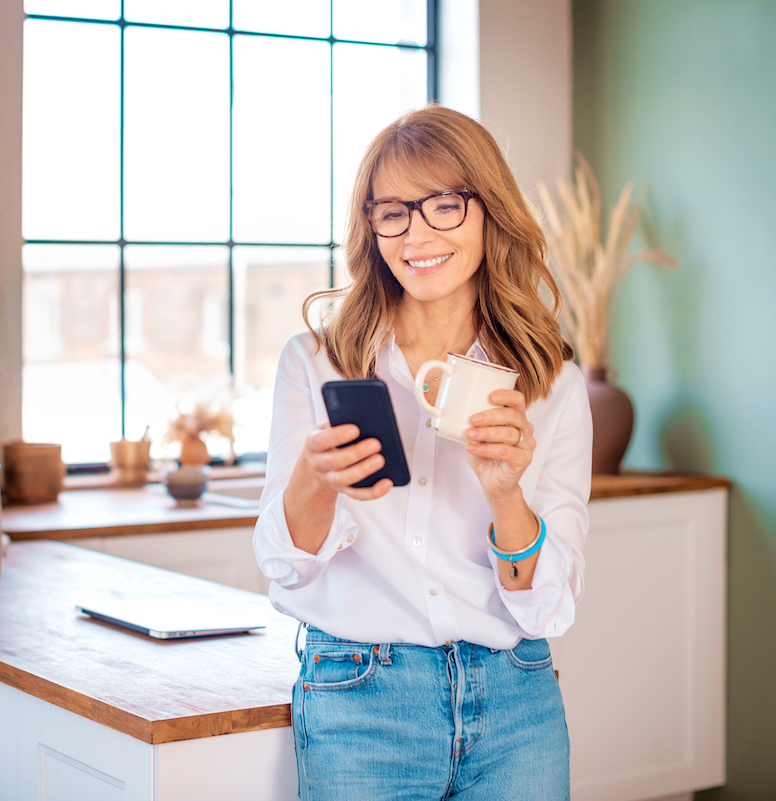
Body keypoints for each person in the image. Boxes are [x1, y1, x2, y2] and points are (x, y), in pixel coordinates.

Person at [252, 103, 592, 800]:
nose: (418, 234)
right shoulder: (316, 363)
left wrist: (506, 493)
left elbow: (548, 606)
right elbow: (282, 564)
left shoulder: (551, 382)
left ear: (488, 210)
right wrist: (318, 480)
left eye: (444, 205)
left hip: (515, 699)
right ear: (371, 227)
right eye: (394, 212)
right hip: (361, 696)